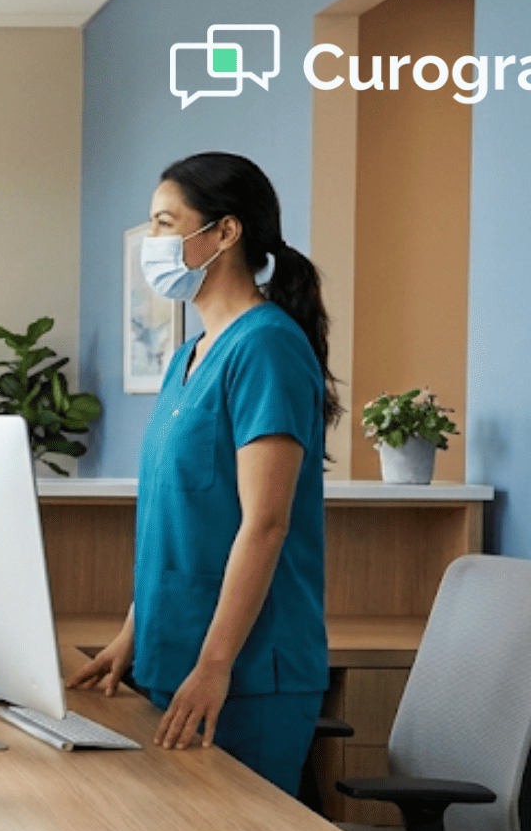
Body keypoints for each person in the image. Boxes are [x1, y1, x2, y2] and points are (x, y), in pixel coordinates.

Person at [70, 151, 341, 794]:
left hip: (245, 675)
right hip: (171, 656)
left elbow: (265, 524)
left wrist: (215, 664)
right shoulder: (189, 354)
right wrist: (132, 636)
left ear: (225, 232)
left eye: (166, 224)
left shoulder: (266, 347)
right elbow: (179, 519)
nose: (153, 241)